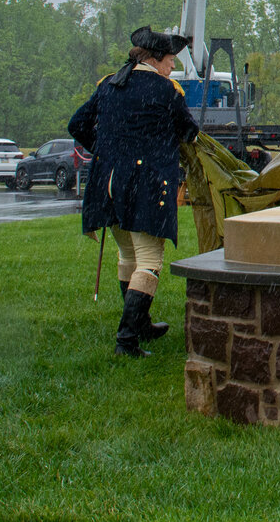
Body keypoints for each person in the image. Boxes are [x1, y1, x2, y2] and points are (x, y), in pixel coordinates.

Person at [69, 26, 201, 357]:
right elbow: (188, 132)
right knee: (149, 260)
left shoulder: (108, 85)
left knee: (128, 255)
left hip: (106, 183)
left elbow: (77, 125)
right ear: (156, 59)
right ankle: (126, 339)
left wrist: (106, 150)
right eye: (171, 60)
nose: (173, 67)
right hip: (145, 184)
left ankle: (140, 324)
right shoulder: (166, 90)